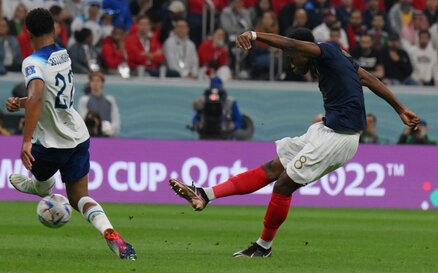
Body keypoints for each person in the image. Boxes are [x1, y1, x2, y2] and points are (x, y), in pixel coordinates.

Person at [169, 27, 420, 258]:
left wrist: (255, 35)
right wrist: (401, 109)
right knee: (272, 169)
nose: (291, 63)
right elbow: (370, 80)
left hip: (340, 138)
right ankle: (205, 194)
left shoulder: (326, 51)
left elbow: (291, 43)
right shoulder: (337, 59)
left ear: (304, 50)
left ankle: (263, 247)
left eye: (292, 57)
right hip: (325, 130)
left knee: (283, 185)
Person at [5, 8, 136, 260]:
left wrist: (26, 140)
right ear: (54, 29)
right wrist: (23, 101)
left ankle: (39, 187)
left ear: (28, 32)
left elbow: (37, 96)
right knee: (79, 197)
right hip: (78, 136)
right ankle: (109, 232)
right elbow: (48, 95)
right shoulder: (62, 54)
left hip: (53, 142)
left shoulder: (32, 62)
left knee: (42, 181)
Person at [79, 71, 120, 137]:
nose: (95, 83)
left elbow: (116, 121)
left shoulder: (110, 100)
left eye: (98, 81)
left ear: (102, 83)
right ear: (90, 83)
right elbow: (83, 119)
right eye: (93, 81)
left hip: (107, 137)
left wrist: (110, 131)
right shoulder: (84, 100)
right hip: (91, 137)